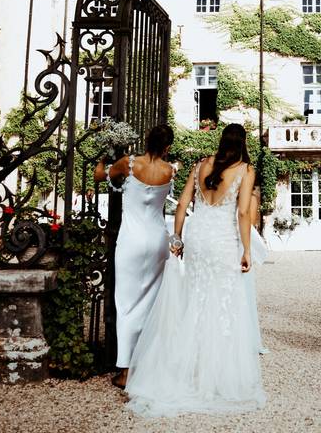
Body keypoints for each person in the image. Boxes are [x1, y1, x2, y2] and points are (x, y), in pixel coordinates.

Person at [125, 123, 266, 417]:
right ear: (242, 143)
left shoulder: (200, 164)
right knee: (222, 303)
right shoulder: (245, 170)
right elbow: (242, 213)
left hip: (198, 237)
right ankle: (214, 375)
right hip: (223, 242)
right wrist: (247, 250)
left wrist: (177, 238)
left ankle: (188, 368)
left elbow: (183, 204)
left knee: (196, 299)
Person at [94, 124, 175, 390]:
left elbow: (98, 176)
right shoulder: (170, 170)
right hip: (158, 241)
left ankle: (126, 370)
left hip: (130, 241)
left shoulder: (129, 164)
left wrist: (105, 156)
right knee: (151, 304)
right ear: (166, 147)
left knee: (126, 304)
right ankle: (150, 364)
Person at [245, 185, 270, 355]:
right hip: (235, 243)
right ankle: (243, 338)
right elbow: (249, 222)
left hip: (212, 241)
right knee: (242, 294)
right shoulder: (249, 192)